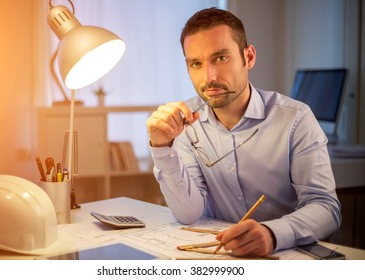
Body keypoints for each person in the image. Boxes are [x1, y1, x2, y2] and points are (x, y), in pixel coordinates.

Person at [146, 7, 341, 257]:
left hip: (285, 258)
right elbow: (189, 213)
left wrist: (272, 234)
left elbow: (326, 208)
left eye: (221, 58)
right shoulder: (183, 124)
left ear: (248, 57)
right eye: (196, 63)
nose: (209, 77)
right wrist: (162, 149)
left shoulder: (296, 118)